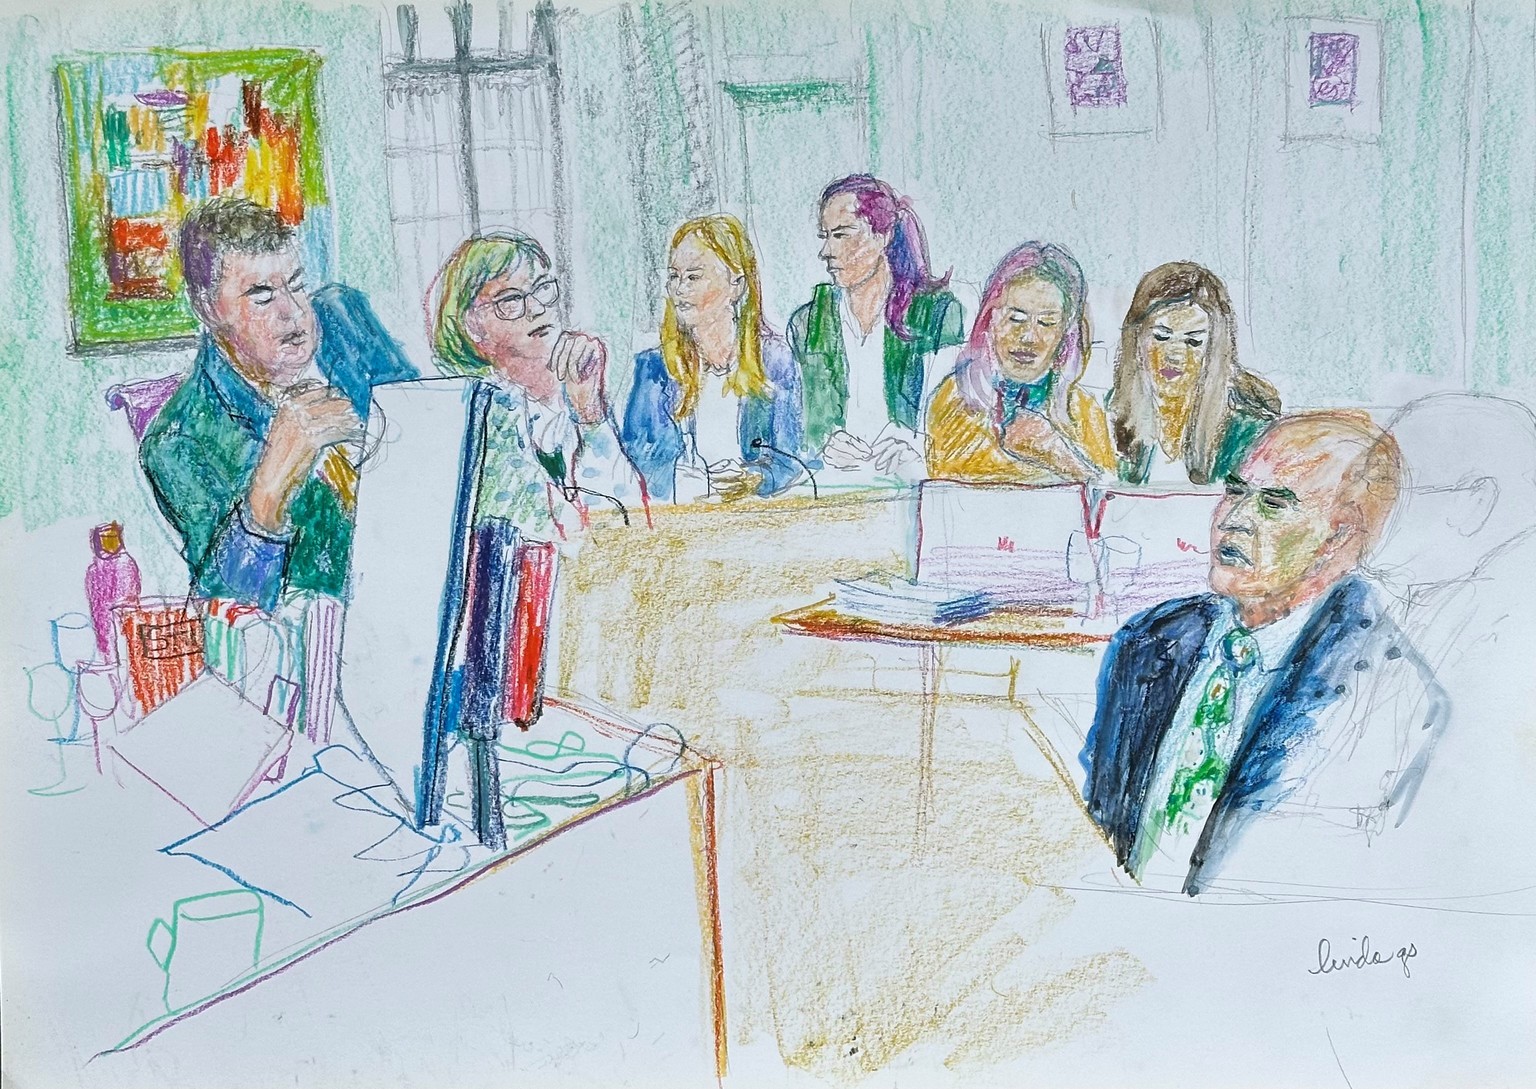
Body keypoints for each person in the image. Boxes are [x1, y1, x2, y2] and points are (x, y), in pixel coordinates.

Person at [1080, 413, 1446, 895]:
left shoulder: (1389, 697)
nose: (1233, 519)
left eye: (1274, 503)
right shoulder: (1150, 639)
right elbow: (1098, 821)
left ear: (1338, 537)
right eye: (1235, 491)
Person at [141, 197, 418, 612]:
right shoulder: (178, 442)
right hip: (337, 623)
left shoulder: (344, 317)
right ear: (208, 308)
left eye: (297, 284)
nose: (294, 313)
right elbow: (230, 611)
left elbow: (428, 424)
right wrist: (268, 492)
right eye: (262, 295)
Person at [432, 231, 643, 536]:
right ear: (472, 325)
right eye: (510, 300)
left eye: (542, 288)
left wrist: (591, 416)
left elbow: (630, 523)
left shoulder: (571, 402)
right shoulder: (486, 414)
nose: (537, 308)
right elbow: (556, 534)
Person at [788, 175, 964, 480]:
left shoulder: (936, 313)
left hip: (914, 481)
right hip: (836, 486)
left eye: (841, 235)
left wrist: (916, 446)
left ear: (883, 236)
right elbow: (803, 430)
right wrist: (825, 444)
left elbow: (952, 420)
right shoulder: (808, 323)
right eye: (825, 236)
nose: (826, 251)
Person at [623, 214, 804, 502]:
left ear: (737, 285)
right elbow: (641, 461)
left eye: (693, 277)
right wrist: (689, 484)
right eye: (674, 276)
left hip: (756, 514)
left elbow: (790, 458)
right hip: (684, 515)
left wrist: (755, 479)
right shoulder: (655, 368)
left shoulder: (773, 360)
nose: (679, 289)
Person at [925, 242, 1114, 484]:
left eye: (1046, 323)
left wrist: (1060, 457)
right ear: (989, 319)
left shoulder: (1083, 412)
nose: (1028, 337)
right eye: (1015, 318)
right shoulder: (955, 399)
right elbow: (945, 490)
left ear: (1065, 334)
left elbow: (1107, 494)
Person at [1106, 262, 1280, 485]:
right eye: (1161, 337)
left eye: (1193, 342)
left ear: (1215, 348)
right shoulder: (1111, 413)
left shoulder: (1246, 427)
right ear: (1137, 338)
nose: (1175, 355)